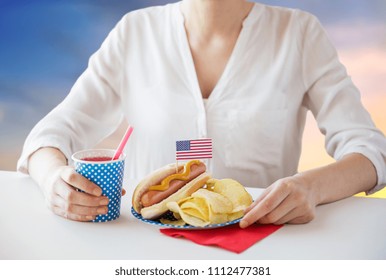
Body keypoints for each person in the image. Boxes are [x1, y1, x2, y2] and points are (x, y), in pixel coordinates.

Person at [17, 0, 386, 227]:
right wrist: (53, 181)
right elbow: (51, 134)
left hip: (264, 249)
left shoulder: (299, 33)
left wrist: (311, 187)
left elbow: (372, 152)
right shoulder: (135, 32)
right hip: (144, 253)